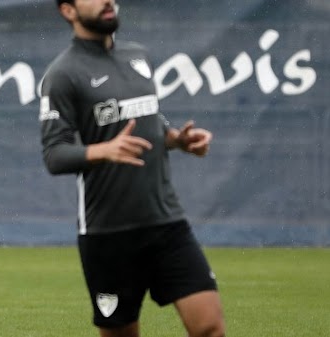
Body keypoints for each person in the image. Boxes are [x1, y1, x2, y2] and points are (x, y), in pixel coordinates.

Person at [39, 1, 225, 337]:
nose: (107, 0)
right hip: (108, 233)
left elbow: (147, 119)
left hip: (166, 221)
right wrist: (103, 150)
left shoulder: (137, 55)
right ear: (68, 10)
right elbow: (55, 154)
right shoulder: (62, 74)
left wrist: (176, 139)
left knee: (210, 328)